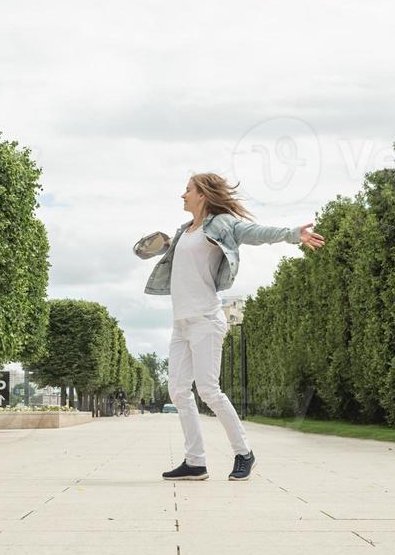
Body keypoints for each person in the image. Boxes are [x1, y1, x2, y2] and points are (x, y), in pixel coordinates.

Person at [133, 172, 325, 482]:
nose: (182, 195)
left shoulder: (221, 225)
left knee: (208, 390)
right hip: (181, 322)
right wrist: (154, 248)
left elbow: (254, 231)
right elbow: (163, 258)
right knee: (179, 391)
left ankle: (244, 452)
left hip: (206, 320)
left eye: (187, 190)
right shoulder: (183, 232)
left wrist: (292, 234)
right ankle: (195, 462)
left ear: (202, 195)